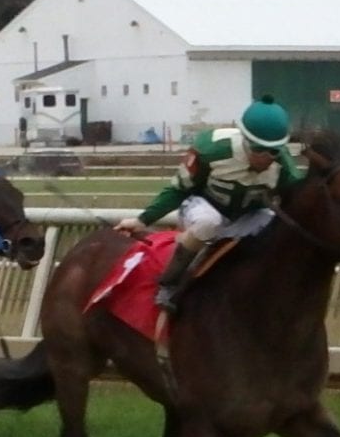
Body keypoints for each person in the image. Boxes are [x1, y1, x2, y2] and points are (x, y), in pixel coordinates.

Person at [115, 95, 302, 313]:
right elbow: (179, 189)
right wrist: (141, 220)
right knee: (208, 222)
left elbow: (298, 204)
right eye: (258, 150)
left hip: (246, 217)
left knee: (277, 226)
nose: (265, 158)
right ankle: (168, 284)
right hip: (203, 206)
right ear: (244, 139)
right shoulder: (211, 148)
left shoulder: (285, 168)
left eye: (273, 152)